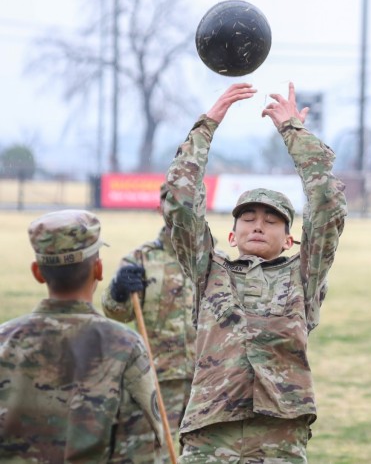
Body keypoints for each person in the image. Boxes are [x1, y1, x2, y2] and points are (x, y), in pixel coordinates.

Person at [162, 82, 347, 463]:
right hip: (211, 433)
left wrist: (294, 133)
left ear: (290, 240)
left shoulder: (303, 275)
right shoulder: (208, 269)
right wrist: (207, 125)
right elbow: (180, 205)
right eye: (248, 218)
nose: (259, 225)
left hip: (278, 433)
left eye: (272, 221)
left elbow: (327, 207)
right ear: (232, 234)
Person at [0, 209, 163, 463]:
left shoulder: (4, 341)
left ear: (37, 272)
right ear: (98, 269)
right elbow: (137, 447)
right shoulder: (125, 346)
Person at [101, 183, 199, 461]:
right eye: (174, 206)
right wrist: (118, 291)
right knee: (152, 455)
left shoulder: (213, 260)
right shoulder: (140, 259)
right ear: (160, 209)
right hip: (156, 379)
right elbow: (116, 312)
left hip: (204, 381)